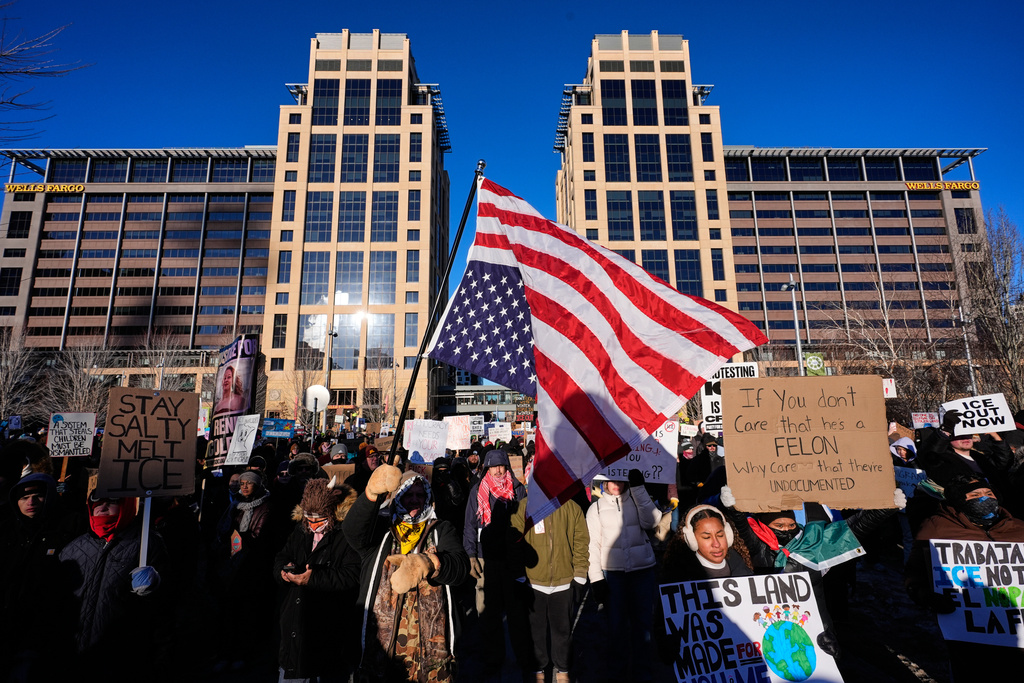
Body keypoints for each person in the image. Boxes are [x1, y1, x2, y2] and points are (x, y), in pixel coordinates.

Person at [719, 485, 903, 656]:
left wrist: (887, 508)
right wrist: (733, 508)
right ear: (765, 526)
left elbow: (855, 527)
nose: (787, 530)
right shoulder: (757, 545)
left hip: (814, 626)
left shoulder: (812, 542)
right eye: (779, 526)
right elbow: (741, 524)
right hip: (769, 627)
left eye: (791, 525)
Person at [343, 465, 469, 682]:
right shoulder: (381, 532)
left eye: (420, 495)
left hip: (430, 655)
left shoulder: (441, 530)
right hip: (381, 652)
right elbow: (352, 532)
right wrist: (370, 494)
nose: (414, 500)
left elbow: (460, 567)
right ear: (397, 498)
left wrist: (432, 563)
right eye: (407, 494)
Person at [905, 473, 1024, 678]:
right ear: (959, 500)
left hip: (1016, 629)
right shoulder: (937, 528)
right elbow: (915, 573)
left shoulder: (1018, 527)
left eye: (989, 493)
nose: (985, 498)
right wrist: (926, 596)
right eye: (975, 494)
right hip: (969, 633)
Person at [58, 495, 164, 681]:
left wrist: (154, 588)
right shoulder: (73, 547)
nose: (103, 507)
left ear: (128, 505)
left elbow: (166, 606)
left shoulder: (147, 544)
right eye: (97, 501)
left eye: (113, 501)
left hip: (119, 656)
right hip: (71, 654)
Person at [274, 477, 362, 682]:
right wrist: (282, 572)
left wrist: (314, 579)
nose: (313, 525)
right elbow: (282, 556)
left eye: (319, 519)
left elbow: (352, 575)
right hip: (294, 622)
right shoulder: (299, 530)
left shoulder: (346, 535)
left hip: (328, 628)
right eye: (308, 518)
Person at [0, 473, 81, 680]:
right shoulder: (7, 530)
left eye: (38, 495)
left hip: (41, 633)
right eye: (24, 497)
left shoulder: (69, 527)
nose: (31, 502)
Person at [586, 469, 662, 683]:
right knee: (616, 628)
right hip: (614, 576)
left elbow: (652, 521)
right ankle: (617, 674)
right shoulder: (596, 509)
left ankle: (643, 674)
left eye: (621, 478)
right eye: (612, 479)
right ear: (604, 481)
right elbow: (592, 546)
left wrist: (639, 488)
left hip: (642, 572)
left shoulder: (638, 498)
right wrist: (597, 579)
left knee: (643, 627)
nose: (616, 483)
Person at [508, 496, 589, 683]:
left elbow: (581, 541)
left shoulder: (571, 506)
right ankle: (539, 668)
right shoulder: (524, 507)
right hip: (534, 581)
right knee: (536, 631)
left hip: (563, 580)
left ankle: (563, 668)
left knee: (563, 630)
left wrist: (579, 574)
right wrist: (519, 574)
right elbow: (514, 541)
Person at [464, 448, 530, 674]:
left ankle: (522, 657)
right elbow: (470, 527)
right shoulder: (477, 492)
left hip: (511, 559)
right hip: (485, 558)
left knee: (516, 612)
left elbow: (526, 523)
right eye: (493, 466)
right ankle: (492, 657)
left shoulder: (518, 489)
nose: (498, 470)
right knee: (487, 612)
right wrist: (471, 554)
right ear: (486, 468)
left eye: (501, 465)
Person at [661, 504, 752, 582]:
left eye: (720, 535)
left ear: (728, 535)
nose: (716, 544)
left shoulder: (742, 567)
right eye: (707, 537)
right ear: (691, 539)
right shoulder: (678, 579)